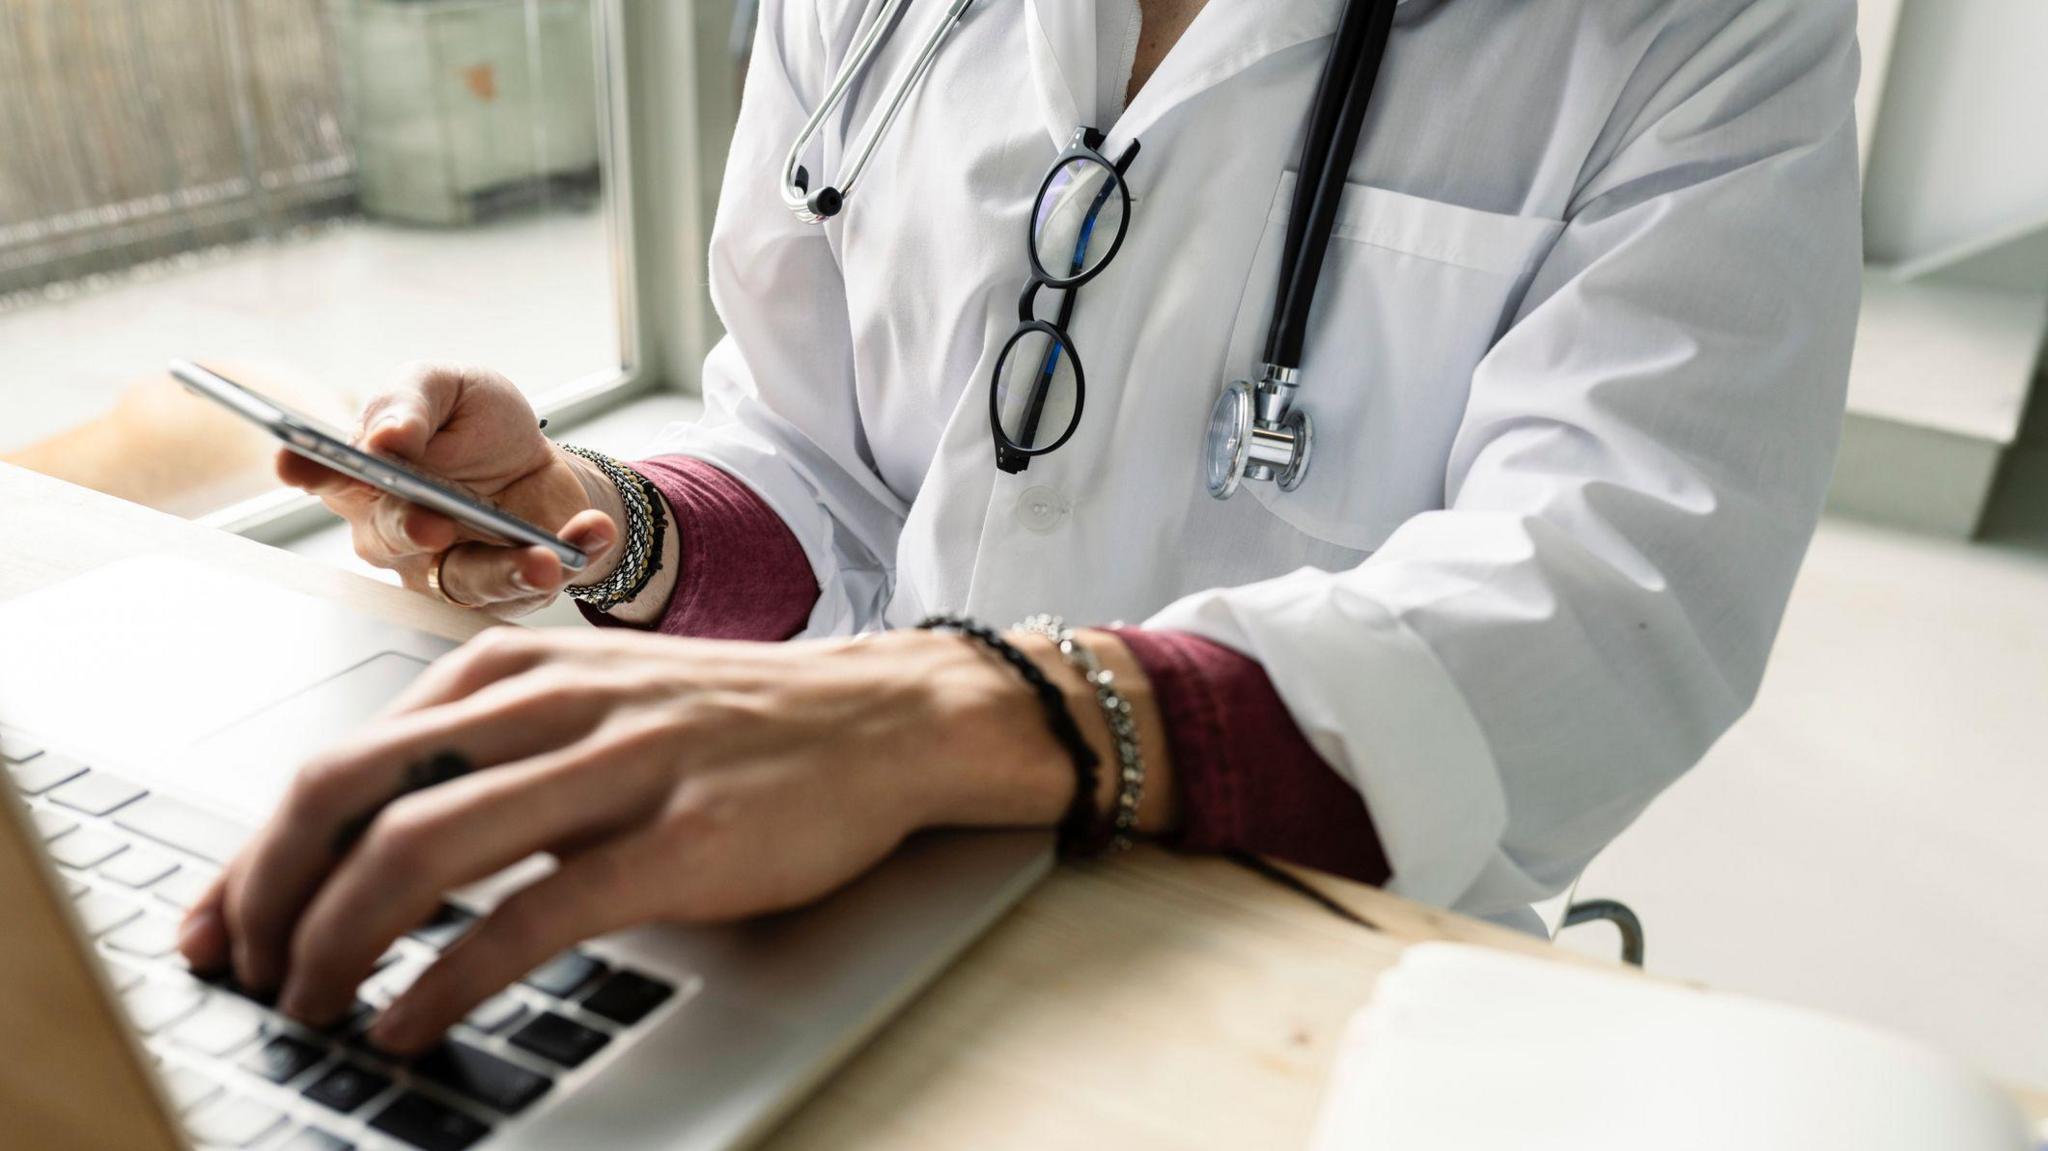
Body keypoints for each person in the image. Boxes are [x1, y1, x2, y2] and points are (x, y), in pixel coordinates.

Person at [179, 0, 1863, 1055]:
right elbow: (818, 456)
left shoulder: (1702, 26)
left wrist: (994, 715)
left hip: (1289, 943)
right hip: (860, 862)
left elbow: (1623, 592)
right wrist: (602, 520)